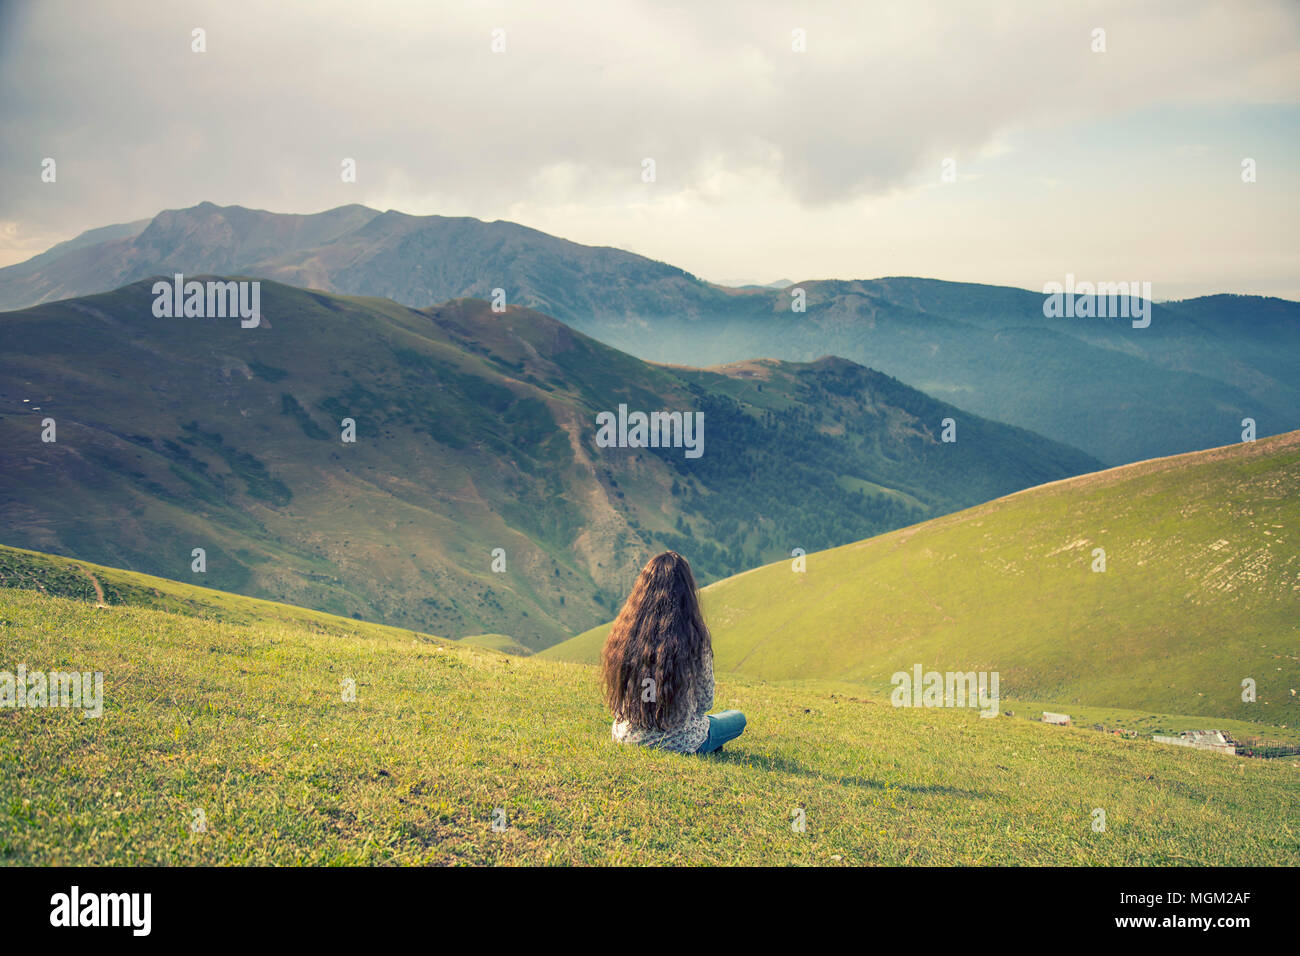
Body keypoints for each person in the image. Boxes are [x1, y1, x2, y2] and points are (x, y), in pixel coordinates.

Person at [600, 551, 746, 754]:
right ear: (686, 592)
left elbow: (618, 703)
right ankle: (707, 745)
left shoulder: (624, 633)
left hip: (628, 736)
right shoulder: (694, 636)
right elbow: (705, 701)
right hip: (681, 741)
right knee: (737, 718)